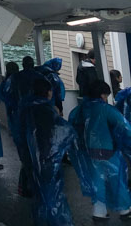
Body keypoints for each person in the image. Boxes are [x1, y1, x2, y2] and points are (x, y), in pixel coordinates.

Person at [20, 76, 93, 225]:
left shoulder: (25, 108)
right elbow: (63, 132)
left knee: (40, 195)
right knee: (53, 196)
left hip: (30, 159)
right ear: (48, 92)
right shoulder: (47, 110)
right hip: (48, 159)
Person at [69, 78, 131, 221]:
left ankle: (99, 212)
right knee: (116, 179)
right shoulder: (105, 109)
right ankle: (124, 210)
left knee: (97, 182)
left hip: (88, 152)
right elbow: (125, 127)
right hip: (108, 150)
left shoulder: (79, 109)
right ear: (102, 94)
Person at [0, 61, 20, 144]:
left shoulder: (6, 81)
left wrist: (6, 100)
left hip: (10, 106)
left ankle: (15, 138)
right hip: (19, 106)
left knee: (13, 122)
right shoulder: (19, 79)